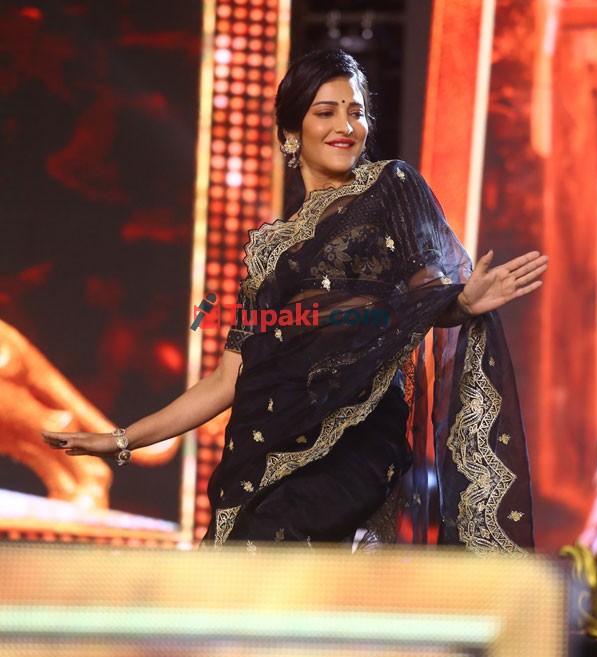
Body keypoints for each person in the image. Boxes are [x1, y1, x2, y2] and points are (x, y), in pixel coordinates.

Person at [42, 50, 547, 551]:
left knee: (276, 541)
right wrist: (122, 439)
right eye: (325, 112)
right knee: (241, 569)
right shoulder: (271, 252)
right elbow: (227, 380)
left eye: (356, 112)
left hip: (357, 437)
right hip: (266, 448)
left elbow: (429, 297)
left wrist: (462, 303)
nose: (345, 126)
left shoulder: (391, 187)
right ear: (290, 132)